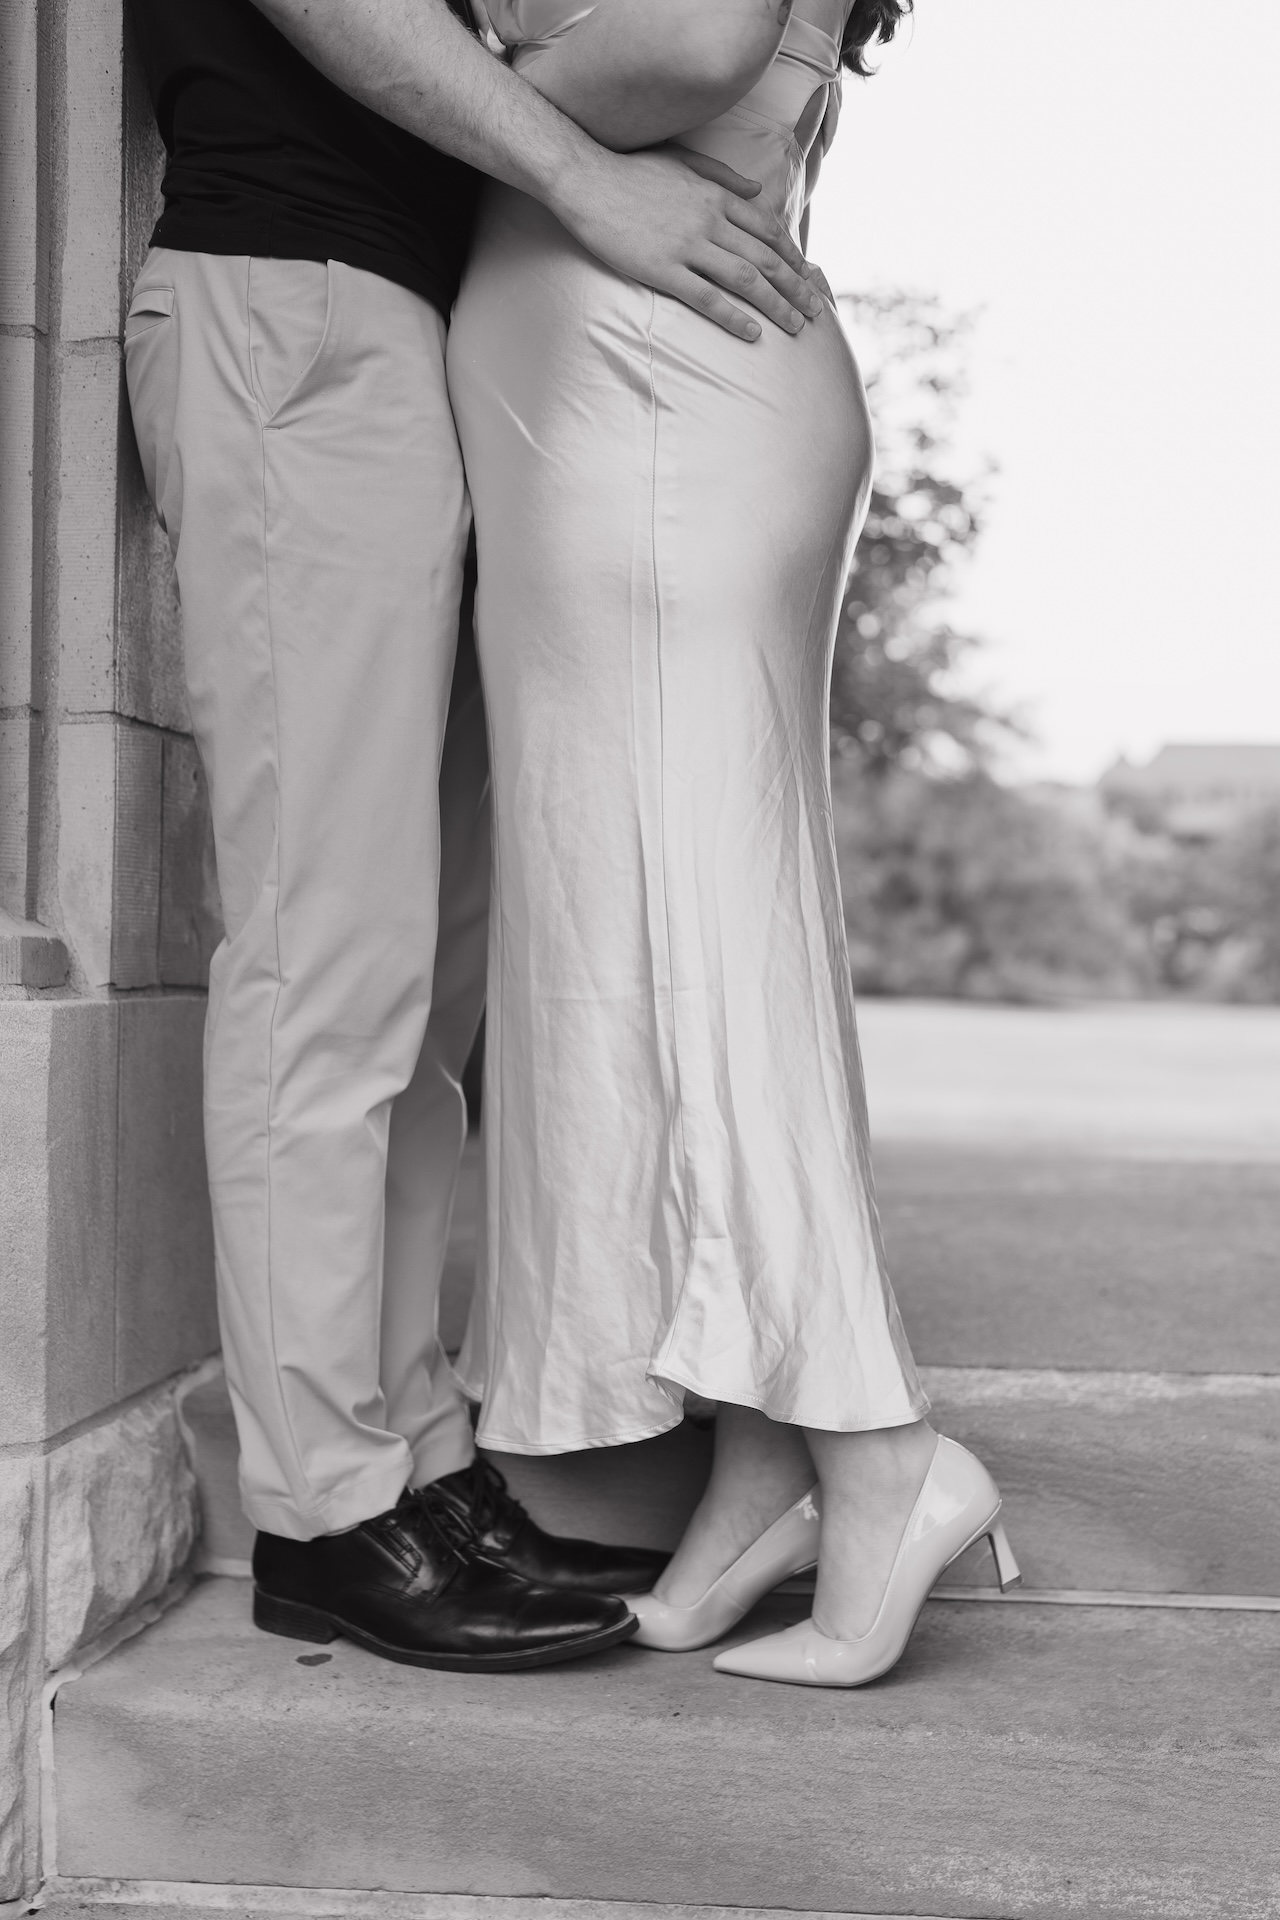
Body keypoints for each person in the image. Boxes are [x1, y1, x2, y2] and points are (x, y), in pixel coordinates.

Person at [123, 0, 825, 1672]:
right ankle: (324, 1511)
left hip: (406, 330)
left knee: (422, 996)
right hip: (296, 306)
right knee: (328, 958)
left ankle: (416, 1461)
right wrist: (582, 174)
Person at [447, 0, 1022, 1689]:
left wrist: (430, 83)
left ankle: (878, 1453)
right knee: (652, 950)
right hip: (634, 408)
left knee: (704, 962)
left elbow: (690, 44)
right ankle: (761, 1475)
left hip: (653, 415)